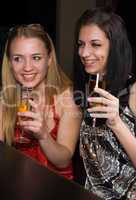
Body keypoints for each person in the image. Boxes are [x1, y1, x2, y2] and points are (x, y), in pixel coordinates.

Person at [0, 24, 82, 180]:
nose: (27, 67)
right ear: (10, 63)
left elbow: (63, 161)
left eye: (36, 57)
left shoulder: (68, 98)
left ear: (49, 59)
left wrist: (44, 135)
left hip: (57, 188)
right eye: (18, 59)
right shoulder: (6, 99)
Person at [73, 7, 136, 199]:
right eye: (81, 44)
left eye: (95, 44)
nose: (84, 52)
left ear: (114, 46)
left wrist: (117, 123)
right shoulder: (87, 87)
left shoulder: (133, 90)